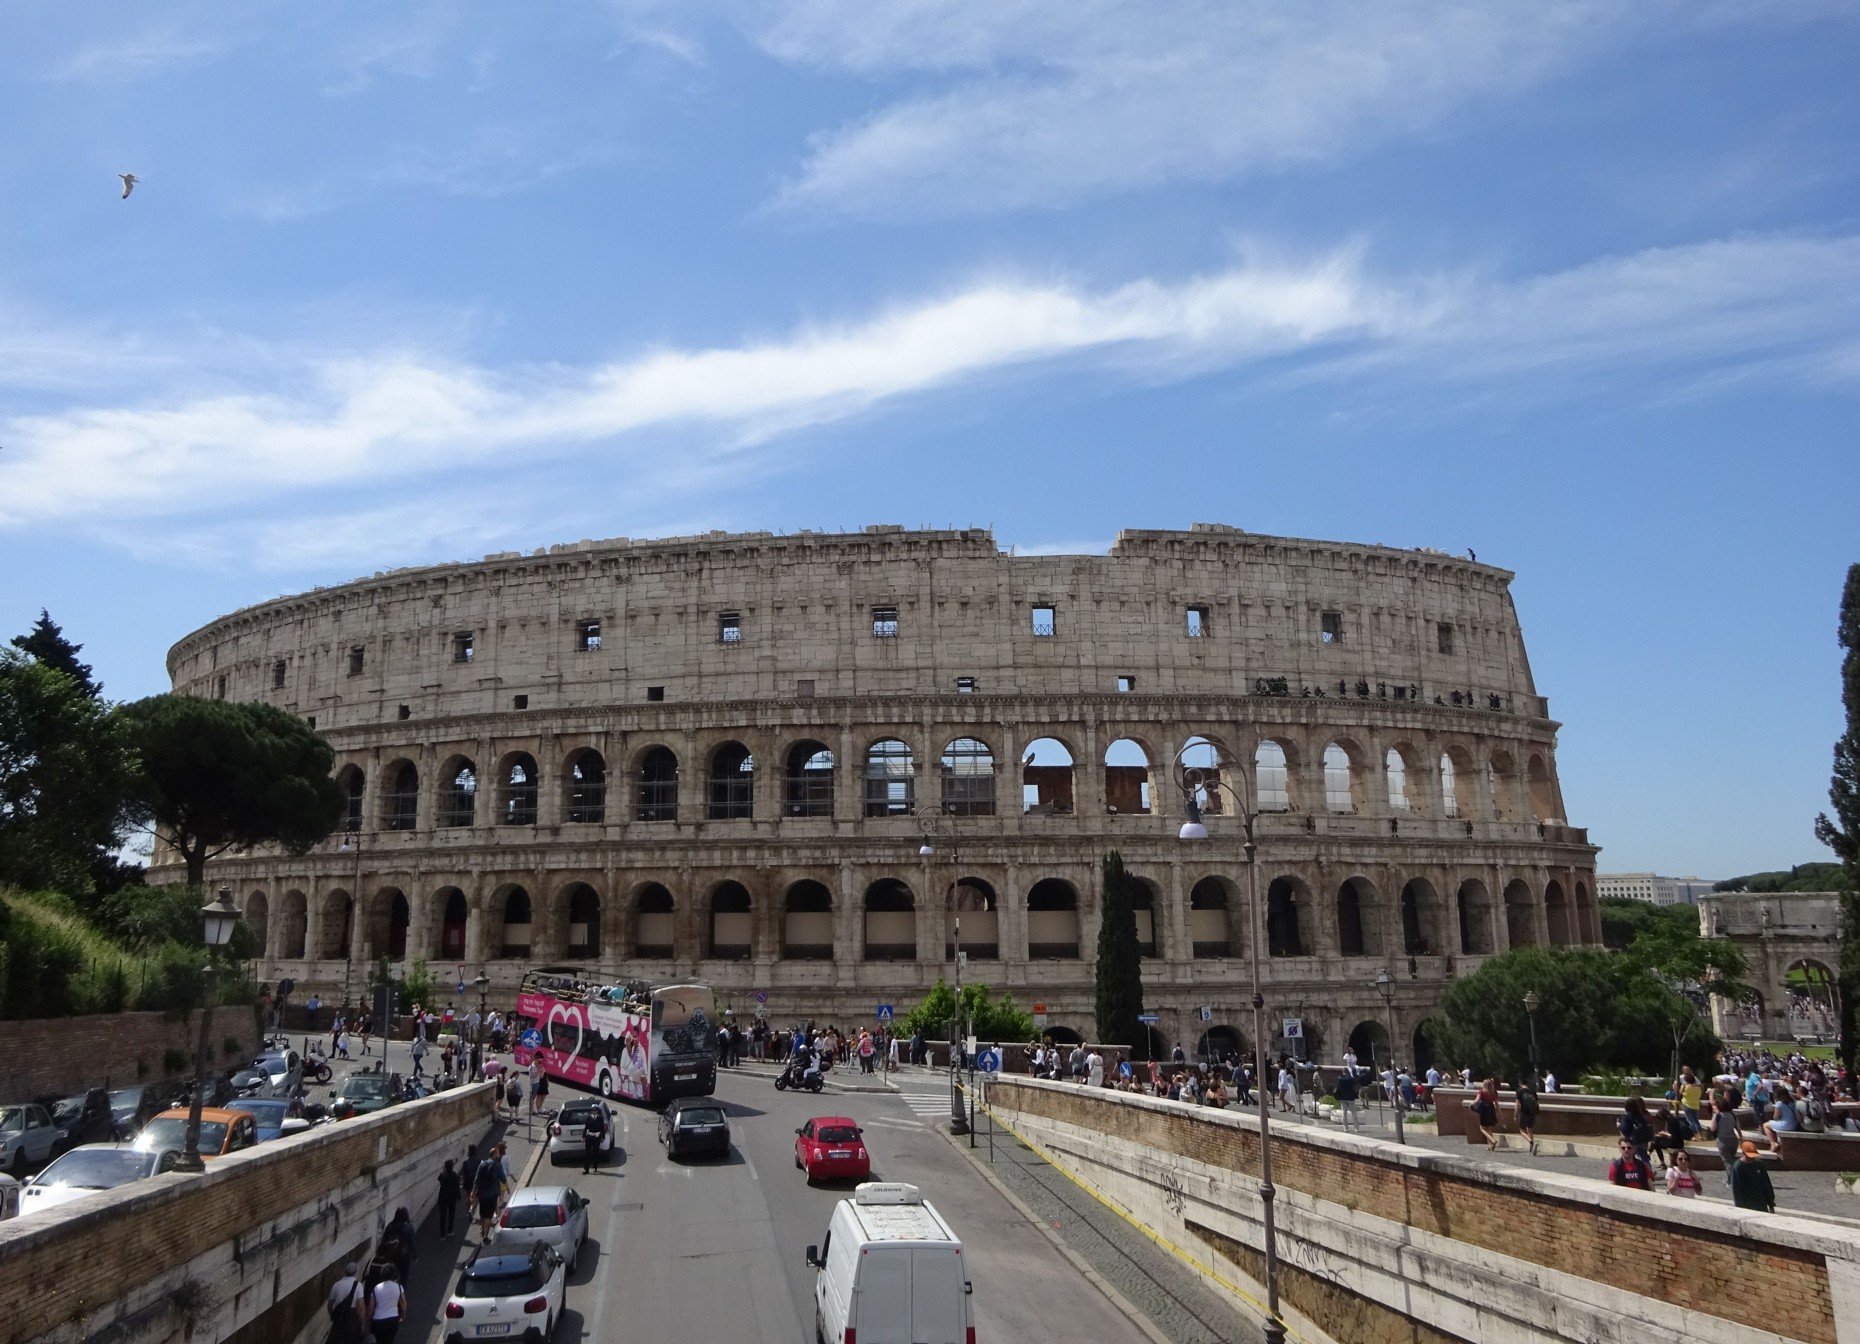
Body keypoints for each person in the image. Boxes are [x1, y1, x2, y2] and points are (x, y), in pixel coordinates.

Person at [1730, 1140, 1776, 1213]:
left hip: (1761, 1204)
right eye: (1749, 1155)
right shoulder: (1738, 1167)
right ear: (1743, 1153)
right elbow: (1736, 1188)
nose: (1752, 1158)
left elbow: (1766, 1184)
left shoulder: (1759, 1164)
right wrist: (1740, 1207)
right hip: (1747, 1205)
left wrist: (1771, 1204)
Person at [326, 1261, 366, 1344]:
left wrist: (333, 1317)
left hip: (339, 1319)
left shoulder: (337, 1284)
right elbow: (360, 1307)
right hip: (351, 1320)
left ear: (345, 1272)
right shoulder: (358, 1285)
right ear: (355, 1272)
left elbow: (329, 1304)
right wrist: (361, 1323)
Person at [368, 1264, 405, 1344]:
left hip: (378, 1320)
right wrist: (403, 1315)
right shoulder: (398, 1287)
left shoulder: (376, 1288)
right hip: (393, 1319)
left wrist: (370, 1320)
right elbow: (403, 1304)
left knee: (379, 1341)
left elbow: (371, 1307)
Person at [474, 1146, 505, 1238]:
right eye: (498, 1153)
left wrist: (473, 1191)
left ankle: (482, 1228)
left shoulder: (482, 1164)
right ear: (495, 1154)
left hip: (482, 1193)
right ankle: (485, 1236)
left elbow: (476, 1179)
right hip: (492, 1194)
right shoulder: (497, 1165)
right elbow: (503, 1179)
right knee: (488, 1216)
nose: (499, 1155)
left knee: (482, 1213)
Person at [1513, 1077, 1540, 1156]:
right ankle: (1532, 1149)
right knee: (1530, 1129)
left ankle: (1531, 1142)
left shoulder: (1519, 1091)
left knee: (1522, 1130)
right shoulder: (1533, 1091)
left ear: (1520, 1083)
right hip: (1532, 1113)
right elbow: (1537, 1104)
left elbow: (1517, 1104)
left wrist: (1515, 1115)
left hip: (1524, 1112)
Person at [1471, 1080, 1501, 1150]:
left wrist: (1471, 1104)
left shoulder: (1482, 1092)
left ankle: (1493, 1140)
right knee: (1489, 1128)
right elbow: (1497, 1104)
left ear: (1484, 1085)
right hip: (1491, 1110)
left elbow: (1476, 1100)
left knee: (1482, 1128)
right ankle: (1490, 1146)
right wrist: (1500, 1114)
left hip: (1484, 1111)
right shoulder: (1494, 1092)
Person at [581, 1101, 607, 1174]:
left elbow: (602, 1128)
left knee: (596, 1153)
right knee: (587, 1153)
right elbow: (586, 1127)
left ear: (597, 1111)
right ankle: (586, 1169)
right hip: (589, 1137)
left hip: (596, 1137)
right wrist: (583, 1136)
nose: (593, 1111)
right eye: (592, 1110)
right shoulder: (589, 1117)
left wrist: (603, 1136)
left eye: (595, 1110)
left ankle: (595, 1167)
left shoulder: (600, 1118)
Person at [436, 1158, 461, 1235]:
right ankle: (450, 1230)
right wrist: (459, 1196)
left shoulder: (442, 1175)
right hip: (452, 1197)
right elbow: (457, 1187)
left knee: (442, 1216)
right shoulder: (454, 1175)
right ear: (452, 1166)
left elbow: (438, 1178)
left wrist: (443, 1170)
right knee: (451, 1214)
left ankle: (443, 1234)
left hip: (443, 1197)